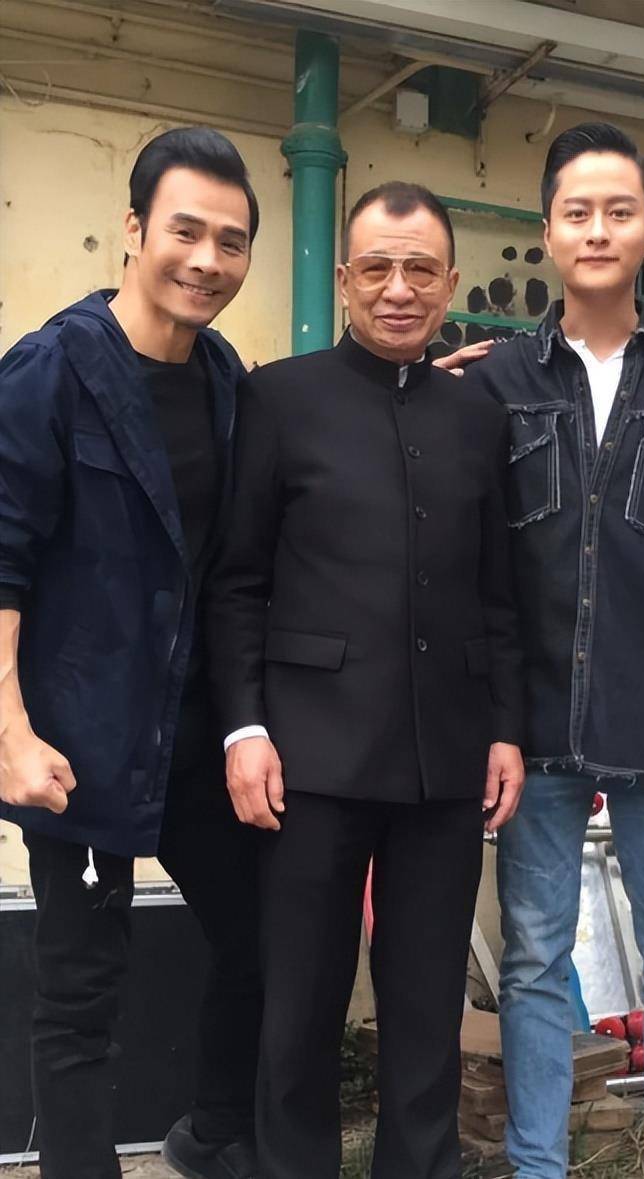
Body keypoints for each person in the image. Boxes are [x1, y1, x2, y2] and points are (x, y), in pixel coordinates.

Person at [204, 180, 525, 1179]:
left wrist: (506, 728)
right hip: (307, 756)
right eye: (377, 268)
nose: (398, 289)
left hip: (444, 758)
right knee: (299, 1006)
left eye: (419, 269)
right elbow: (237, 582)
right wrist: (243, 728)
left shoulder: (478, 418)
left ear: (450, 283)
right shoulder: (278, 397)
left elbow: (500, 592)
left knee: (427, 1006)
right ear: (345, 279)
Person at [463, 123, 644, 1179]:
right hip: (529, 724)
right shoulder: (493, 381)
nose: (597, 229)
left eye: (619, 211)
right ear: (548, 230)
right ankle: (538, 1164)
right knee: (535, 960)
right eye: (577, 211)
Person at [0, 127, 263, 1179]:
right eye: (185, 231)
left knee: (258, 935)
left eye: (231, 242)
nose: (207, 259)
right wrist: (10, 732)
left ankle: (213, 1134)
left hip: (196, 732)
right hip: (80, 737)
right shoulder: (52, 369)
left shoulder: (226, 378)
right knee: (80, 993)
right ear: (134, 228)